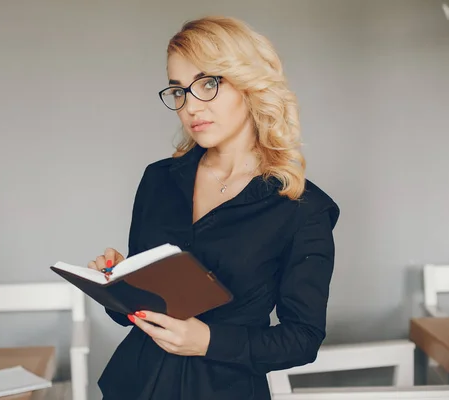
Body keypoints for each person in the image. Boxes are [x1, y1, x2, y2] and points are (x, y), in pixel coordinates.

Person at [89, 15, 340, 400]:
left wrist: (207, 341)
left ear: (250, 85)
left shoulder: (303, 208)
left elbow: (302, 339)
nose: (190, 106)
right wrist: (117, 285)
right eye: (178, 90)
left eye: (207, 84)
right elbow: (136, 315)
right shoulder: (158, 180)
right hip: (133, 385)